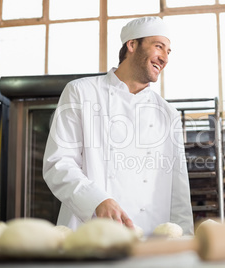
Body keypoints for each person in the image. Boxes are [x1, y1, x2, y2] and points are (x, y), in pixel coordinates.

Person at [43, 16, 194, 235]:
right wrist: (97, 200)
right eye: (159, 47)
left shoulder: (167, 113)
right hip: (90, 232)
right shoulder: (82, 92)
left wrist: (185, 238)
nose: (165, 59)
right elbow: (58, 163)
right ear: (132, 45)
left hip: (151, 238)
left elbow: (178, 189)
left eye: (168, 52)